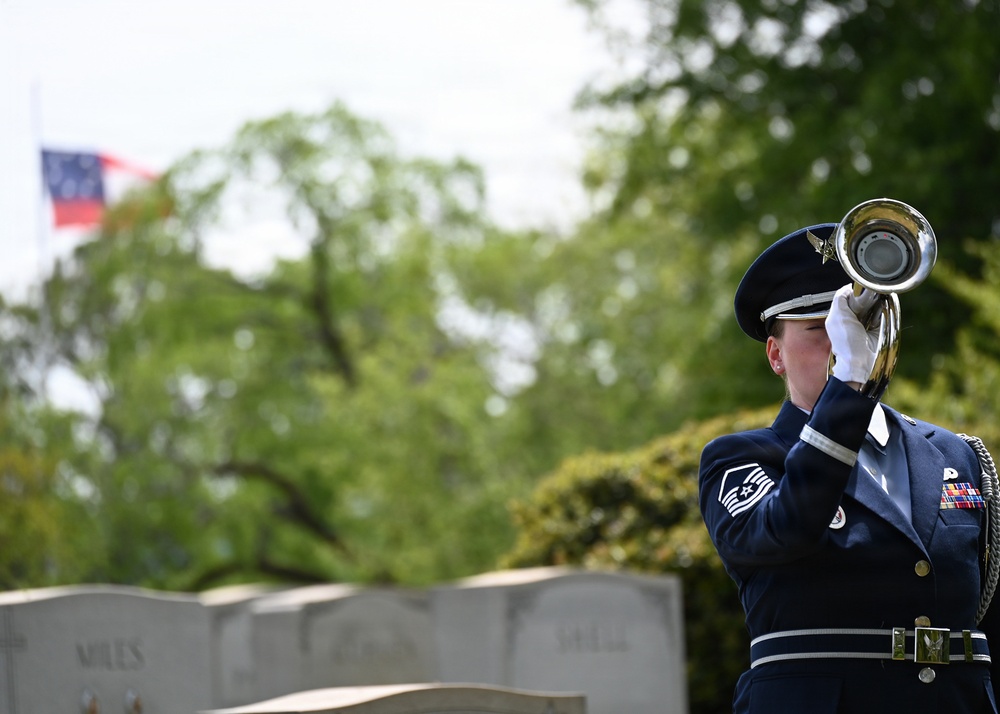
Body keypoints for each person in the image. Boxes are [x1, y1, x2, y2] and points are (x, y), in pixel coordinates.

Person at [698, 222, 1000, 712]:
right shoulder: (741, 458)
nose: (843, 344)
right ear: (776, 355)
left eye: (861, 325)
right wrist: (850, 384)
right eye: (820, 329)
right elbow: (786, 529)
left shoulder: (954, 454)